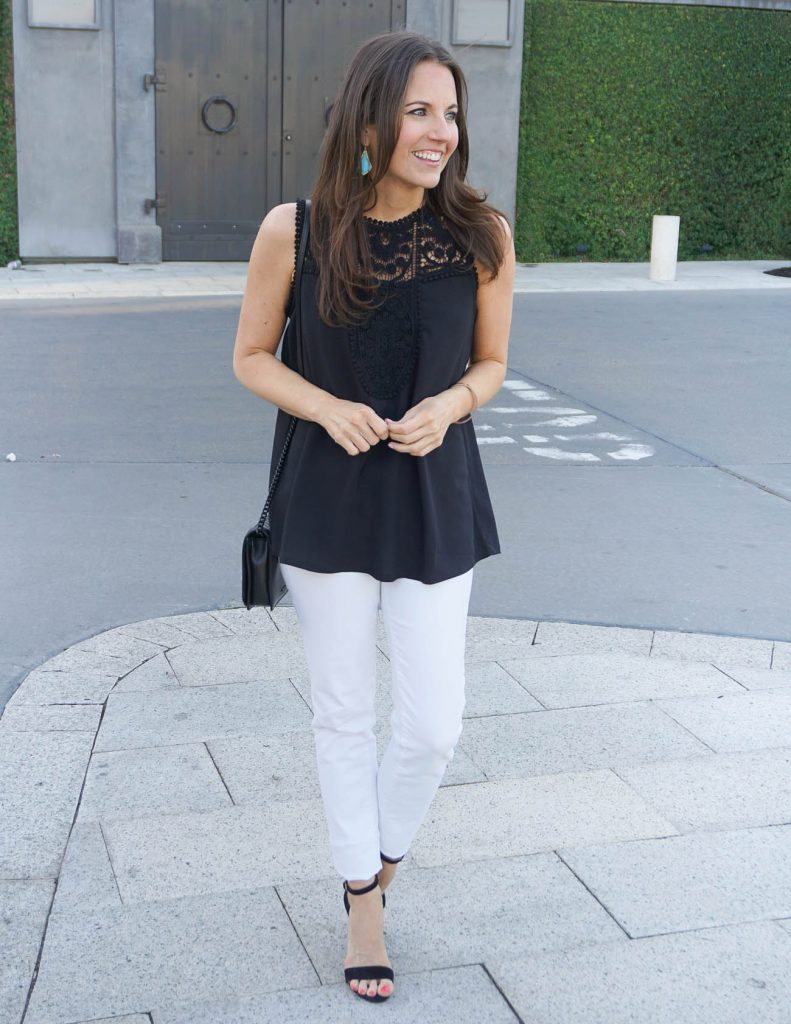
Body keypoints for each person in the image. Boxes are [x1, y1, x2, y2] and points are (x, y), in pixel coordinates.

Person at [232, 29, 515, 1004]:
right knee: (345, 712)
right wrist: (325, 404)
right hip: (330, 496)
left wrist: (451, 404)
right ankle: (361, 896)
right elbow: (252, 355)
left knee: (433, 722)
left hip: (435, 494)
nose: (439, 132)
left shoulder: (481, 234)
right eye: (417, 111)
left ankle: (381, 855)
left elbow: (490, 363)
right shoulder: (295, 229)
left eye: (449, 113)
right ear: (368, 118)